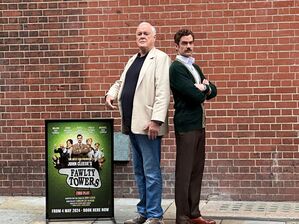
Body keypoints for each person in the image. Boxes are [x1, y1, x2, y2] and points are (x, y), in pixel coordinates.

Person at [105, 22, 171, 224]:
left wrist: (156, 120)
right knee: (139, 171)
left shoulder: (161, 59)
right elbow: (121, 82)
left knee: (151, 172)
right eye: (139, 33)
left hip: (148, 125)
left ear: (154, 37)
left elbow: (163, 91)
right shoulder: (133, 59)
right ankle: (143, 212)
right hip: (131, 124)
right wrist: (112, 93)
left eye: (146, 33)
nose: (142, 36)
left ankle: (154, 215)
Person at [169, 29, 217, 224]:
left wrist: (205, 87)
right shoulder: (176, 68)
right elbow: (194, 96)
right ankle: (182, 216)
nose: (188, 46)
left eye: (190, 42)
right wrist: (203, 89)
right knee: (184, 171)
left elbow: (213, 90)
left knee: (197, 170)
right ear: (177, 46)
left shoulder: (194, 67)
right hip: (186, 125)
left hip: (199, 125)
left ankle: (194, 214)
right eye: (184, 43)